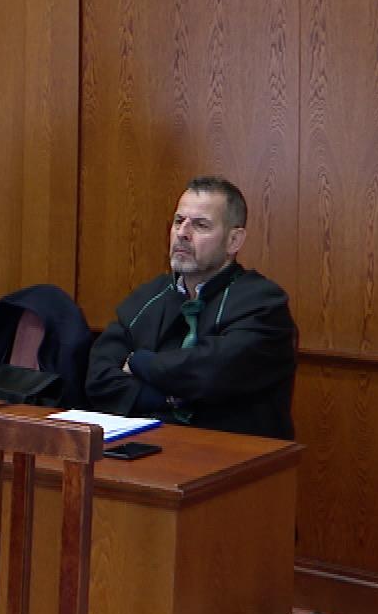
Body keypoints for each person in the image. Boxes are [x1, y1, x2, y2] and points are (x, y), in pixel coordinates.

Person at [86, 177, 297, 439]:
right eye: (178, 221)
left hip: (234, 453)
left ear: (234, 240)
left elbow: (210, 373)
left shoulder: (263, 303)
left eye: (200, 225)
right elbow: (99, 377)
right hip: (148, 445)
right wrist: (167, 399)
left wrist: (139, 362)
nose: (182, 233)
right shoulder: (148, 296)